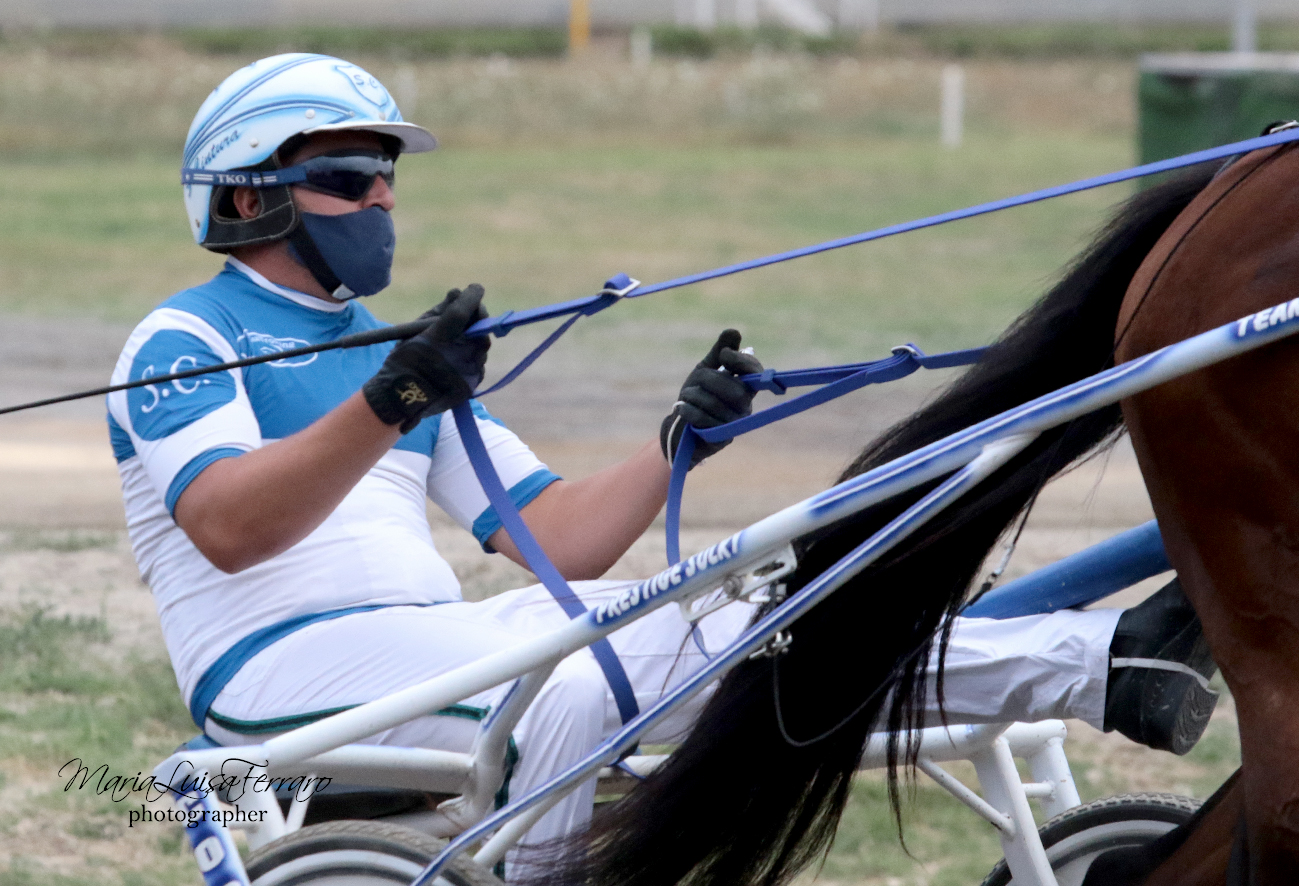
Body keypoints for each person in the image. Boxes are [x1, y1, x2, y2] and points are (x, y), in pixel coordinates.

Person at [108, 54, 1216, 866]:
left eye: (388, 177)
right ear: (247, 197)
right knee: (573, 678)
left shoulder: (394, 357)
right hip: (278, 679)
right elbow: (233, 527)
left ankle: (1107, 661)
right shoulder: (184, 340)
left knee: (755, 617)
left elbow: (557, 539)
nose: (382, 200)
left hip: (427, 650)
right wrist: (395, 397)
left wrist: (674, 441)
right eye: (352, 178)